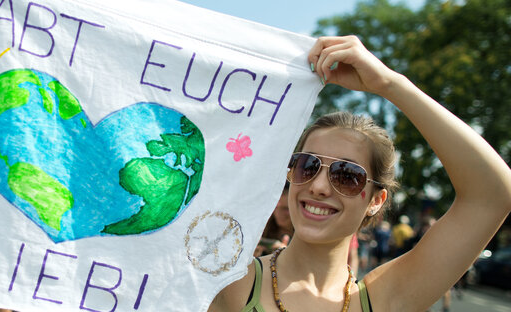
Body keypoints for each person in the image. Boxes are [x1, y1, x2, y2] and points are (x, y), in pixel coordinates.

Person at [208, 35, 511, 312]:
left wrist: (390, 84)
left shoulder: (386, 297)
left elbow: (494, 193)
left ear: (377, 200)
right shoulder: (229, 281)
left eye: (346, 175)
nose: (319, 186)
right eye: (307, 165)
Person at [256, 183, 294, 256]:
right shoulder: (262, 228)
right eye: (276, 207)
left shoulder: (303, 236)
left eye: (285, 209)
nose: (279, 213)